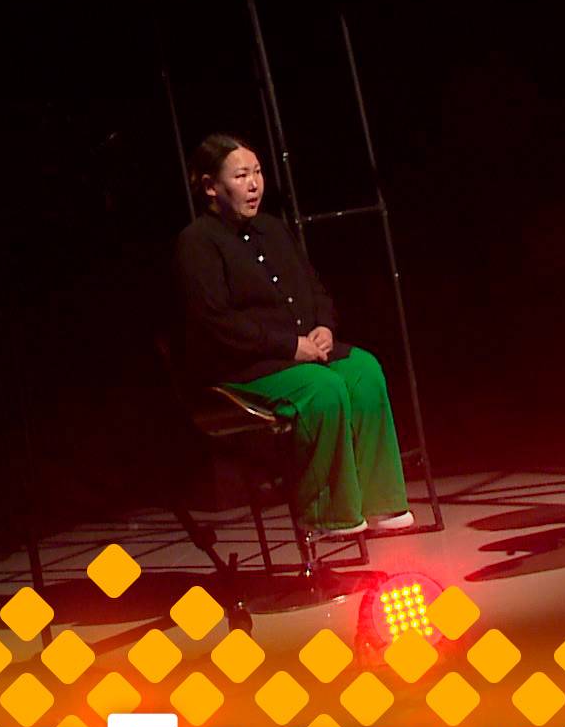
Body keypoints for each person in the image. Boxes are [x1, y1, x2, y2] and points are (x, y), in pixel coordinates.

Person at [174, 133, 412, 535]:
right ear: (211, 186)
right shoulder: (197, 242)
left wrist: (323, 327)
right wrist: (289, 346)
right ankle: (328, 512)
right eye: (241, 176)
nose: (254, 184)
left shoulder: (274, 229)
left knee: (364, 370)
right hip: (248, 366)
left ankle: (381, 503)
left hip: (300, 353)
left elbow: (315, 289)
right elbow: (216, 321)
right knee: (322, 389)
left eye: (257, 173)